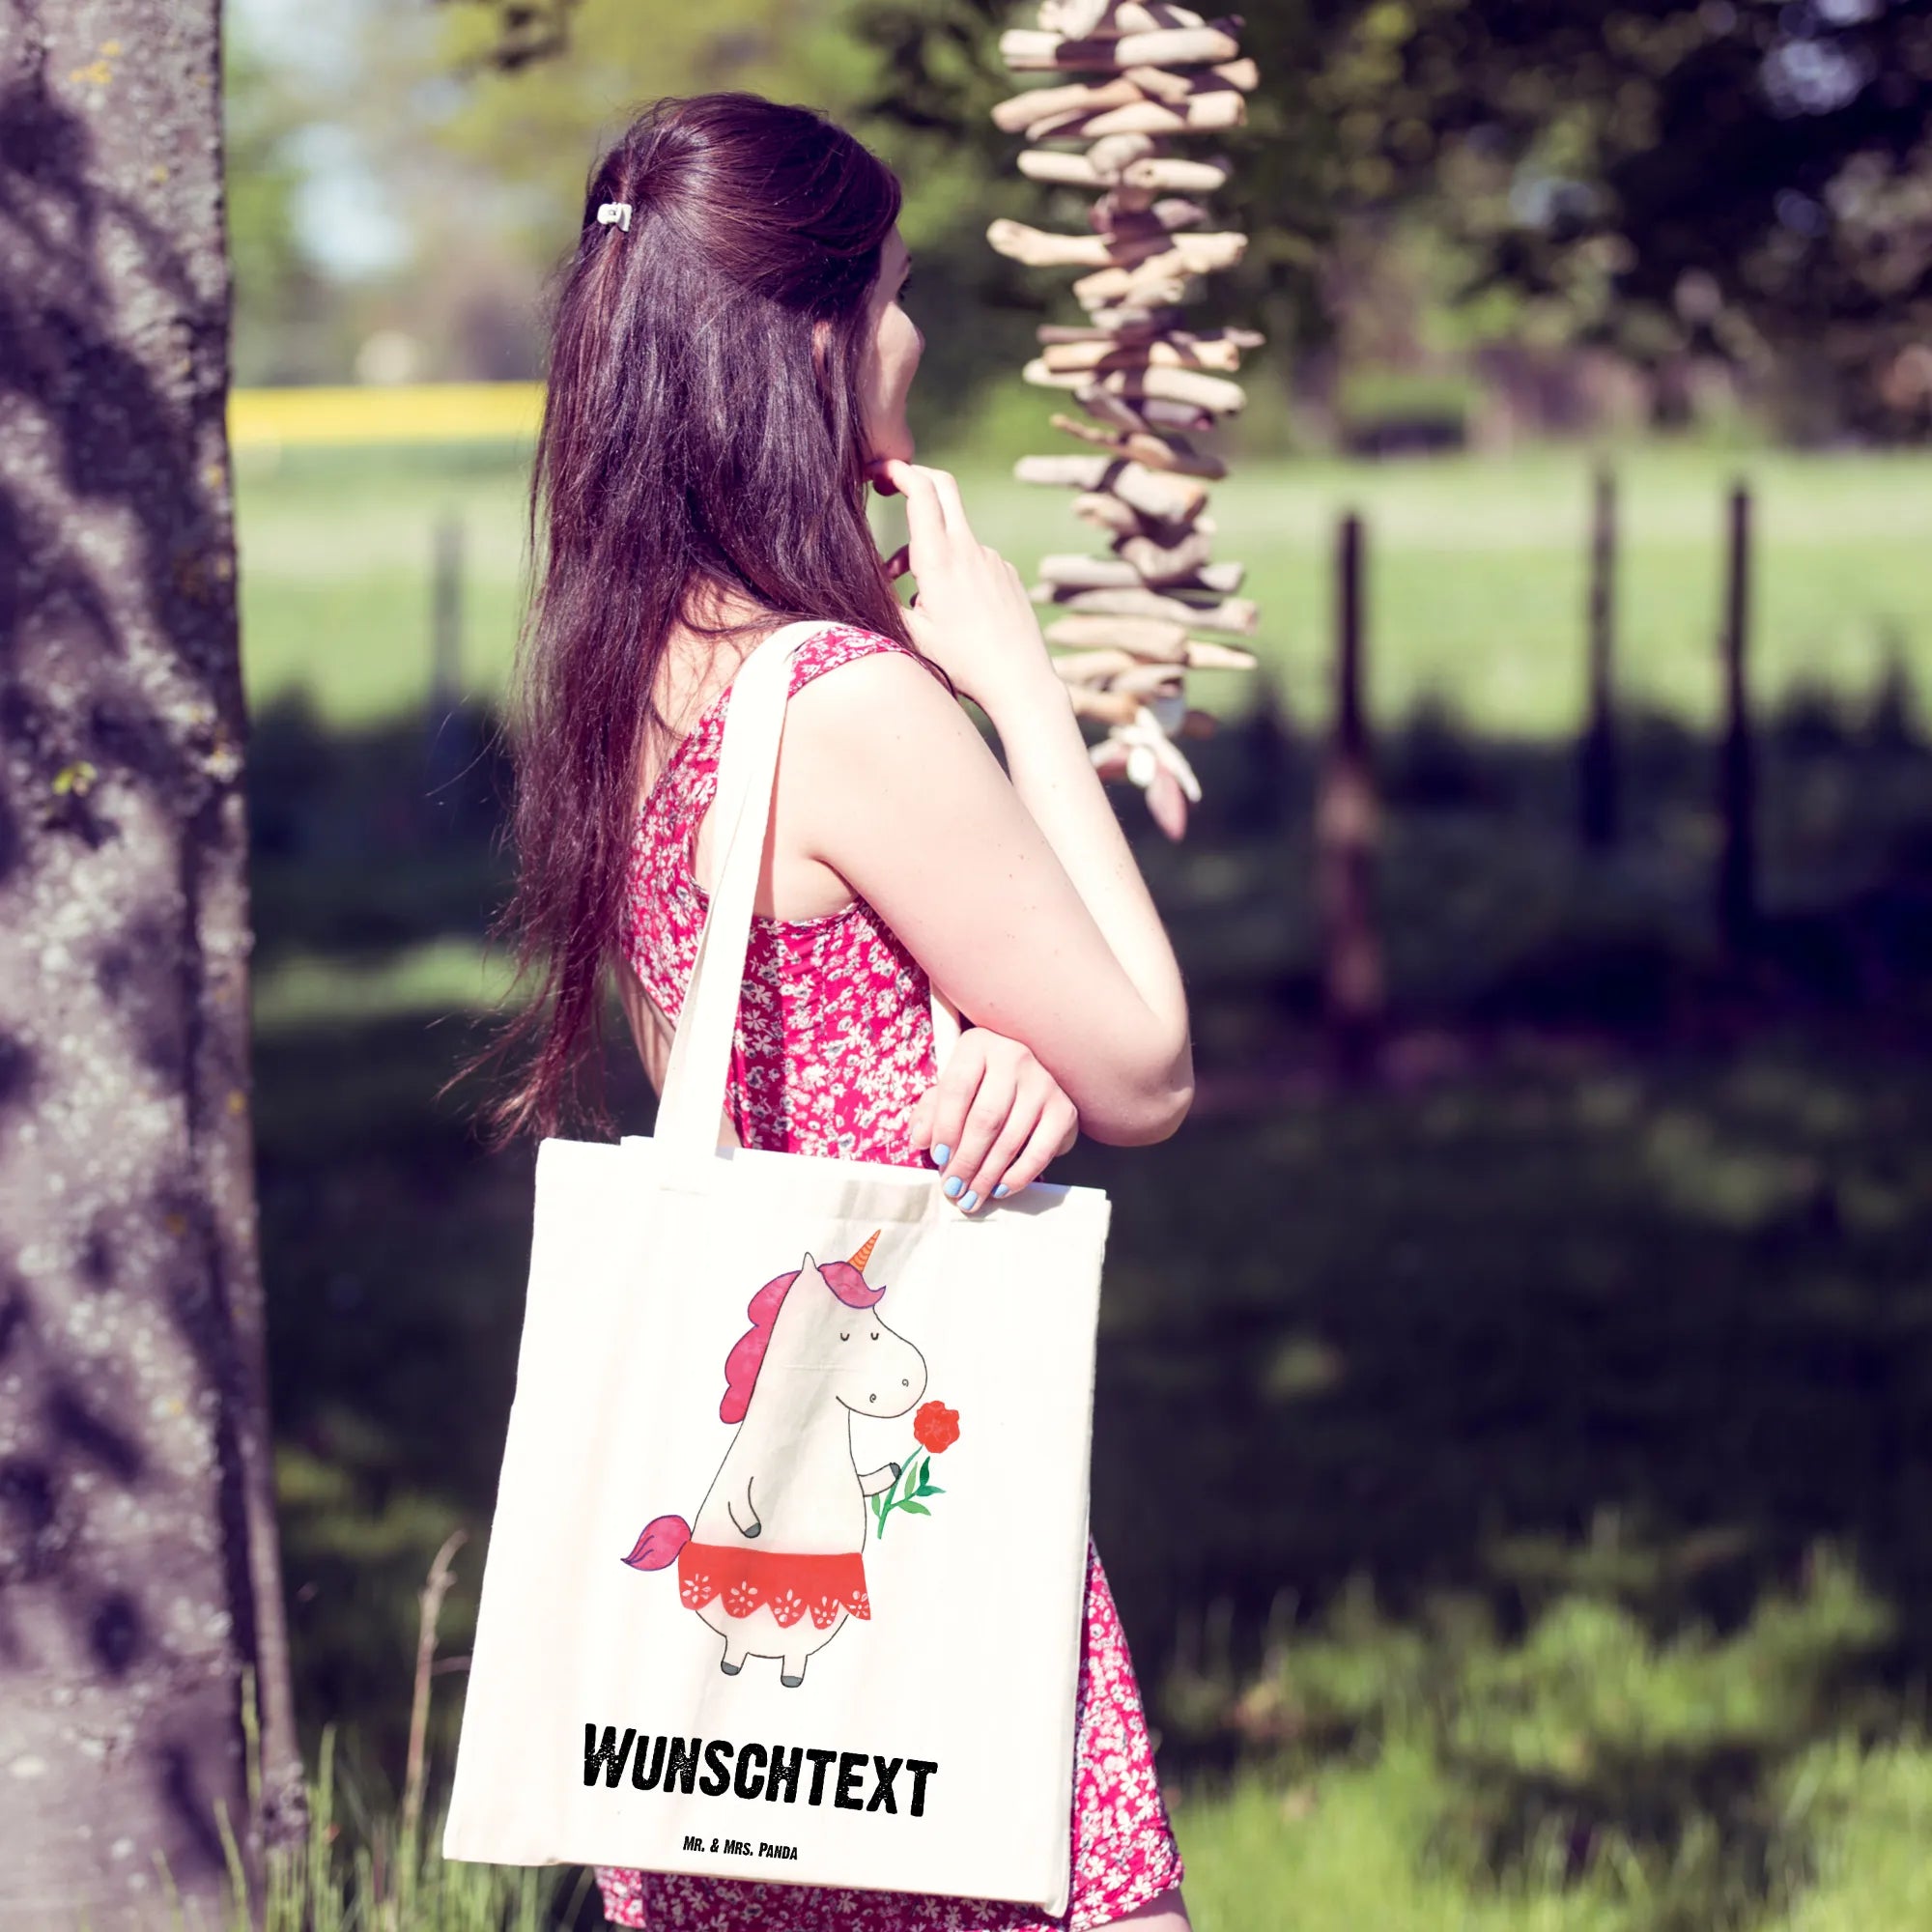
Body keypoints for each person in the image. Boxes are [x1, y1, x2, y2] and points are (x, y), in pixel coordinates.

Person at [486, 90, 1197, 1932]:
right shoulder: (847, 703)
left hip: (723, 1696)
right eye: (890, 293)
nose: (914, 336)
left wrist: (984, 1044)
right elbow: (1147, 1063)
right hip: (914, 1600)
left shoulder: (634, 671)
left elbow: (750, 1051)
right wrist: (1020, 690)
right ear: (812, 338)